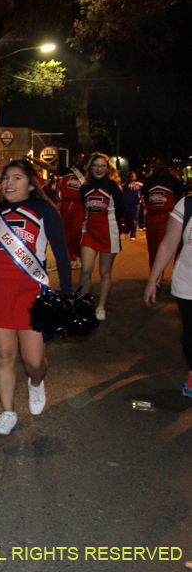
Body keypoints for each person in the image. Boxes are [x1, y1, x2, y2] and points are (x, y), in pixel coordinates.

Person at [0, 159, 72, 436]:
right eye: (6, 178)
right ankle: (8, 411)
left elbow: (62, 254)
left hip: (33, 292)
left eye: (17, 178)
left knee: (33, 361)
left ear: (32, 183)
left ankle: (35, 383)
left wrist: (67, 297)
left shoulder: (44, 209)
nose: (9, 183)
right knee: (5, 356)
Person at [143, 192, 192, 398]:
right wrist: (153, 280)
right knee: (191, 337)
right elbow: (168, 244)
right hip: (188, 285)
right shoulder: (187, 204)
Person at [78, 153, 125, 321]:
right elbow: (84, 206)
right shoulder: (85, 187)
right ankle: (83, 304)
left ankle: (101, 306)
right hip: (89, 231)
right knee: (85, 270)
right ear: (90, 168)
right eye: (96, 166)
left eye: (102, 166)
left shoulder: (113, 187)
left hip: (109, 233)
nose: (99, 169)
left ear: (108, 168)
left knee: (105, 272)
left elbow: (120, 209)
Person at [31, 152, 87, 269]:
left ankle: (79, 255)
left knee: (77, 231)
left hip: (79, 204)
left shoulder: (87, 173)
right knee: (66, 231)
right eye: (76, 157)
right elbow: (48, 167)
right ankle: (70, 257)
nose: (77, 159)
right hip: (65, 203)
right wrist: (33, 159)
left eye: (80, 158)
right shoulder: (66, 171)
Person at [142, 157, 184, 271]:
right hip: (151, 216)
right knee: (152, 248)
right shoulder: (149, 181)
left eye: (156, 161)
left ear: (164, 163)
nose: (153, 164)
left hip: (166, 216)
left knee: (162, 247)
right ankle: (154, 274)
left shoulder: (173, 181)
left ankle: (158, 276)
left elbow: (179, 199)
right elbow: (145, 198)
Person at [122, 172, 142, 240]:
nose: (131, 178)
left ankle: (133, 235)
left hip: (135, 205)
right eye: (129, 176)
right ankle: (127, 231)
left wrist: (140, 199)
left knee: (134, 219)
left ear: (135, 177)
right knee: (127, 219)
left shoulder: (139, 185)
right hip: (127, 204)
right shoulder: (124, 186)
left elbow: (145, 191)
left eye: (132, 176)